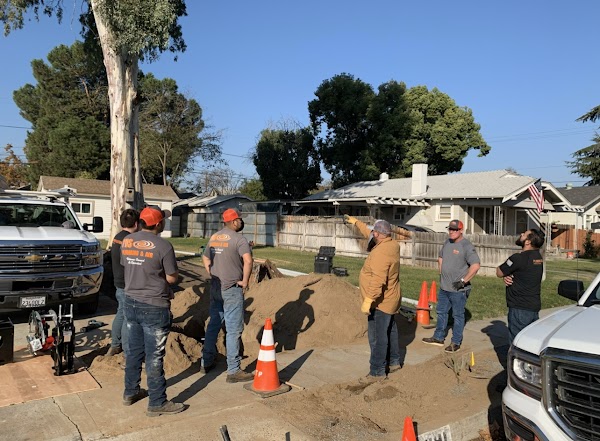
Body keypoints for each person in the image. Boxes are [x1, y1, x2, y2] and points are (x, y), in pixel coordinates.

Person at [120, 206, 185, 416]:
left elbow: (128, 266)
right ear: (158, 224)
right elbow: (172, 277)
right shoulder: (163, 246)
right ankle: (157, 402)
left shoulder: (127, 241)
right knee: (154, 356)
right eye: (163, 220)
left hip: (131, 302)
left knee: (134, 352)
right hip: (154, 306)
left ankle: (130, 391)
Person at [201, 208, 254, 383]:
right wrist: (245, 281)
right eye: (239, 219)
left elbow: (205, 258)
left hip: (216, 287)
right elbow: (248, 261)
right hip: (231, 288)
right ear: (233, 221)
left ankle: (206, 362)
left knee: (213, 325)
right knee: (233, 330)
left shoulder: (215, 237)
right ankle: (233, 370)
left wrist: (211, 273)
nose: (241, 222)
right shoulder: (239, 239)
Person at [345, 215, 401, 378]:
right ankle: (394, 362)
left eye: (374, 232)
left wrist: (369, 300)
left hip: (380, 301)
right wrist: (357, 223)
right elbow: (369, 232)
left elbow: (378, 280)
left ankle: (377, 371)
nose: (371, 233)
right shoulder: (392, 244)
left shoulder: (381, 253)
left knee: (377, 336)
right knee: (390, 330)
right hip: (391, 298)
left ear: (378, 234)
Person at [423, 219, 480, 353]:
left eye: (455, 229)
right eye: (450, 229)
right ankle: (438, 337)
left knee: (457, 316)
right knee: (441, 312)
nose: (452, 232)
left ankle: (456, 342)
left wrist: (463, 281)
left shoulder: (466, 246)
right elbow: (440, 257)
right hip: (444, 287)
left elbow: (476, 265)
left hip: (458, 290)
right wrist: (441, 271)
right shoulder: (447, 242)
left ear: (461, 230)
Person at [496, 229, 545, 345]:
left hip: (519, 308)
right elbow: (524, 273)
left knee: (517, 343)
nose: (521, 234)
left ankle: (513, 357)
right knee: (530, 342)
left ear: (528, 242)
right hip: (533, 307)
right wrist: (508, 275)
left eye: (524, 234)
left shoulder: (518, 258)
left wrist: (505, 274)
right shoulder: (538, 257)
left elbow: (499, 272)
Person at [107, 208, 139, 357]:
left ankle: (115, 345)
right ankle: (127, 352)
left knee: (121, 313)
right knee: (128, 317)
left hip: (119, 282)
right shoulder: (130, 241)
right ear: (136, 224)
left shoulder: (117, 237)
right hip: (128, 284)